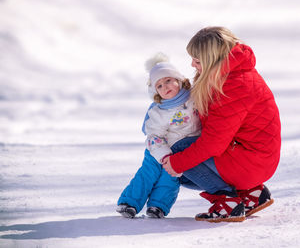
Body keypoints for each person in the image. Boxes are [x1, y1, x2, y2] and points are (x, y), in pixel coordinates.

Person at [163, 26, 281, 222]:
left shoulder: (232, 85)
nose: (192, 65)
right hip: (258, 160)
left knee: (178, 152)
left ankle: (228, 200)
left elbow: (213, 143)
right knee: (184, 161)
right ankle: (252, 193)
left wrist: (177, 162)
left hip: (253, 163)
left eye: (198, 61)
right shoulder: (235, 72)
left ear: (211, 60)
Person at [117, 52, 201, 219]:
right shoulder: (159, 110)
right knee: (148, 174)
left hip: (180, 152)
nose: (165, 87)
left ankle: (158, 206)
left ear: (179, 80)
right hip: (157, 150)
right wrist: (164, 155)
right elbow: (154, 135)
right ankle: (130, 203)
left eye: (168, 80)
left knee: (170, 179)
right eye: (159, 86)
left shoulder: (194, 98)